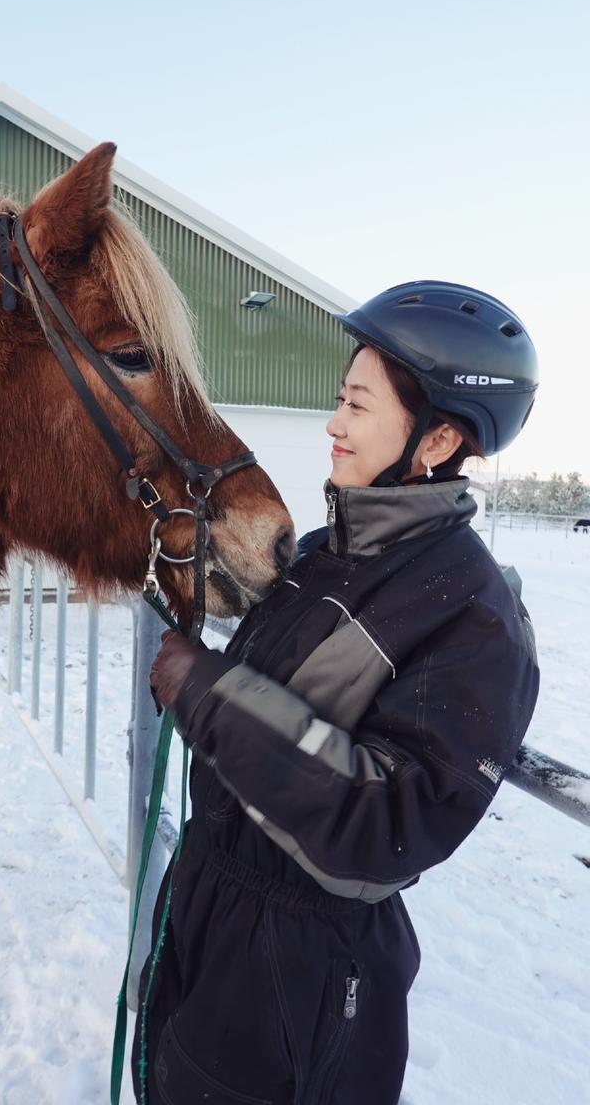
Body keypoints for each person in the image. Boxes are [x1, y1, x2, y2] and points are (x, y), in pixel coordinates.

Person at [136, 281, 540, 1105]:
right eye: (338, 399)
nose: (333, 423)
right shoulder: (326, 554)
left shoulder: (474, 616)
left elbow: (388, 823)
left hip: (297, 981)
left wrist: (203, 694)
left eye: (357, 404)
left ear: (436, 441)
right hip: (209, 911)